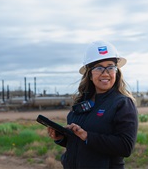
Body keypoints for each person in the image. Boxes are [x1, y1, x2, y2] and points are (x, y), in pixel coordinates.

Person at [47, 40, 138, 169]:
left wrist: (87, 136)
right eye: (99, 67)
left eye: (110, 67)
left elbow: (125, 147)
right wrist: (62, 137)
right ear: (89, 74)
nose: (105, 73)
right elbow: (79, 142)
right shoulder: (81, 102)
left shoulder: (122, 103)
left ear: (116, 72)